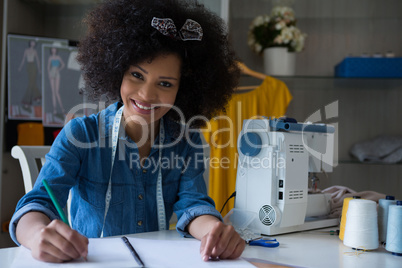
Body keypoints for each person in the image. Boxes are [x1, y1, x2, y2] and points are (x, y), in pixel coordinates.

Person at [10, 0, 244, 263]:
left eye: (165, 83)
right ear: (118, 70)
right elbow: (36, 205)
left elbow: (193, 206)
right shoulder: (80, 135)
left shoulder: (187, 141)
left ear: (184, 90)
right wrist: (37, 234)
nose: (146, 94)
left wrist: (213, 230)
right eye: (137, 75)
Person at [18, 40, 41, 108]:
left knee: (32, 83)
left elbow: (37, 60)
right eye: (32, 42)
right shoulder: (26, 50)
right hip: (28, 66)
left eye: (34, 42)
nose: (33, 43)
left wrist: (39, 69)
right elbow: (23, 59)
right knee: (32, 83)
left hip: (33, 66)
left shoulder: (35, 51)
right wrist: (20, 67)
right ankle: (37, 97)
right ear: (30, 43)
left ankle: (27, 102)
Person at [47, 47, 66, 117]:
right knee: (53, 92)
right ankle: (54, 109)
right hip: (52, 73)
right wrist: (49, 74)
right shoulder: (50, 58)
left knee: (57, 92)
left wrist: (59, 69)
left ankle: (62, 108)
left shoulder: (58, 57)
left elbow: (63, 64)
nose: (53, 50)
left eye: (54, 49)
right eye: (52, 49)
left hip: (57, 73)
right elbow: (48, 67)